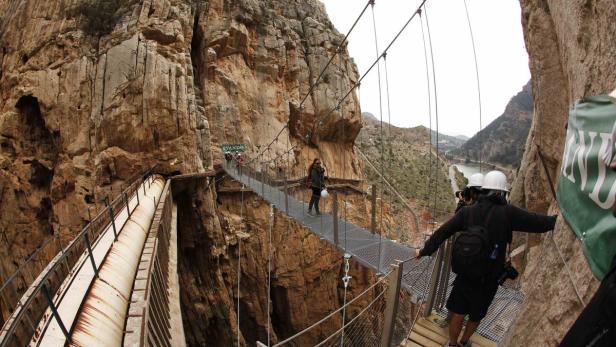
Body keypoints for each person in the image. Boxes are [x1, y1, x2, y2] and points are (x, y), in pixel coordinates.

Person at [415, 170, 557, 347]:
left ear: (483, 190)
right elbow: (536, 222)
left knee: (458, 312)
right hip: (488, 278)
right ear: (501, 192)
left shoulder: (467, 212)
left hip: (466, 273)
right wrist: (555, 221)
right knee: (476, 315)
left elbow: (443, 232)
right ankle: (465, 342)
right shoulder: (508, 213)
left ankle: (452, 344)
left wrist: (424, 251)